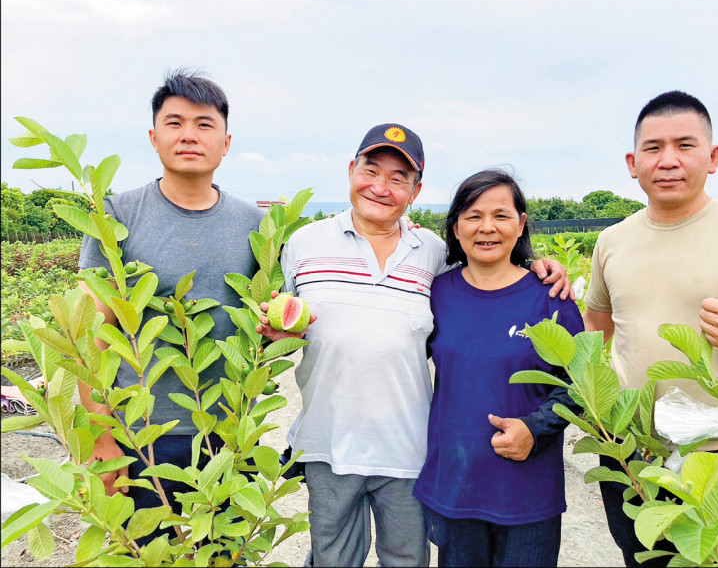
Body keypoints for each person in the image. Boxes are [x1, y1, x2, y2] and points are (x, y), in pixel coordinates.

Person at [255, 124, 572, 567]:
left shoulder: (433, 254)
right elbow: (277, 324)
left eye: (398, 177)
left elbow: (490, 269)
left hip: (410, 449)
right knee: (331, 559)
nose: (381, 187)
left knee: (408, 560)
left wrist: (540, 264)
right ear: (351, 170)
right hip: (327, 442)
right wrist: (273, 335)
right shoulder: (302, 244)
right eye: (371, 170)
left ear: (416, 190)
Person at [582, 90, 718, 566]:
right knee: (642, 558)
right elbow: (592, 331)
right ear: (632, 162)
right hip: (632, 453)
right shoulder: (612, 242)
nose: (668, 160)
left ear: (713, 157)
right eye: (653, 148)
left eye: (685, 145)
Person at [78, 69, 267, 540]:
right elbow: (88, 333)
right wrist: (101, 437)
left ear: (226, 142)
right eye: (175, 122)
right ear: (153, 137)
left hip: (227, 434)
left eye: (204, 124)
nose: (189, 135)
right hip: (140, 435)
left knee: (223, 553)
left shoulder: (257, 225)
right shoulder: (117, 216)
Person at [411, 169, 584, 567]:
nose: (486, 227)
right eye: (473, 216)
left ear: (521, 224)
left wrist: (534, 428)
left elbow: (579, 386)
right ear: (455, 227)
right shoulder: (436, 294)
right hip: (455, 487)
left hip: (527, 494)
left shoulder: (550, 299)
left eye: (501, 215)